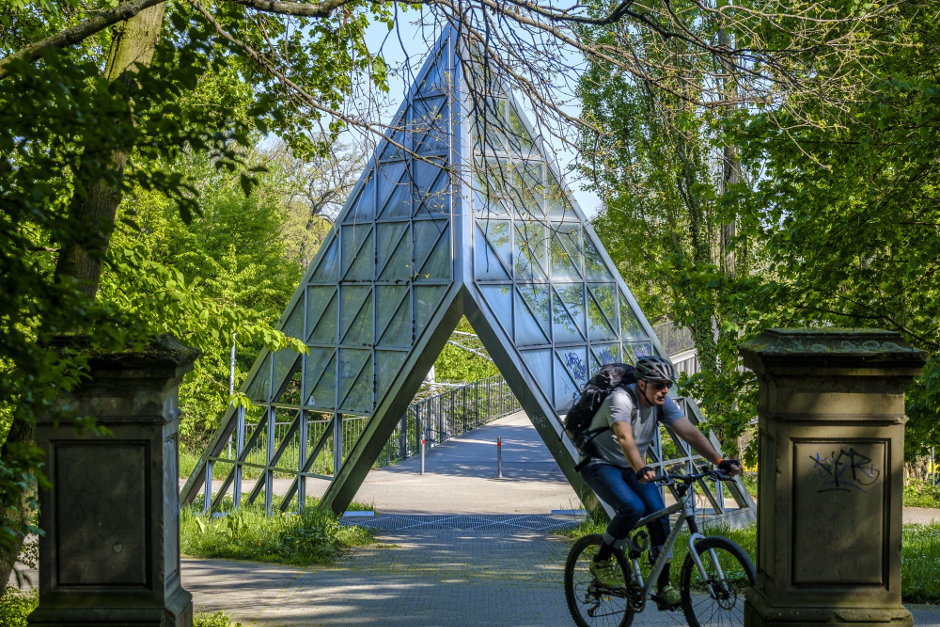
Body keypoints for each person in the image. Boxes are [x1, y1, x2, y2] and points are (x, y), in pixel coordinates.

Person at [578, 355, 742, 607]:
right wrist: (641, 467)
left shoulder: (661, 403)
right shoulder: (620, 399)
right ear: (642, 383)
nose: (664, 390)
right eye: (658, 385)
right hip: (599, 462)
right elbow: (624, 437)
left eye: (667, 384)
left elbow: (689, 432)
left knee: (659, 514)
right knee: (632, 507)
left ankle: (664, 585)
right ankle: (601, 560)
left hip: (631, 465)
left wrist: (719, 461)